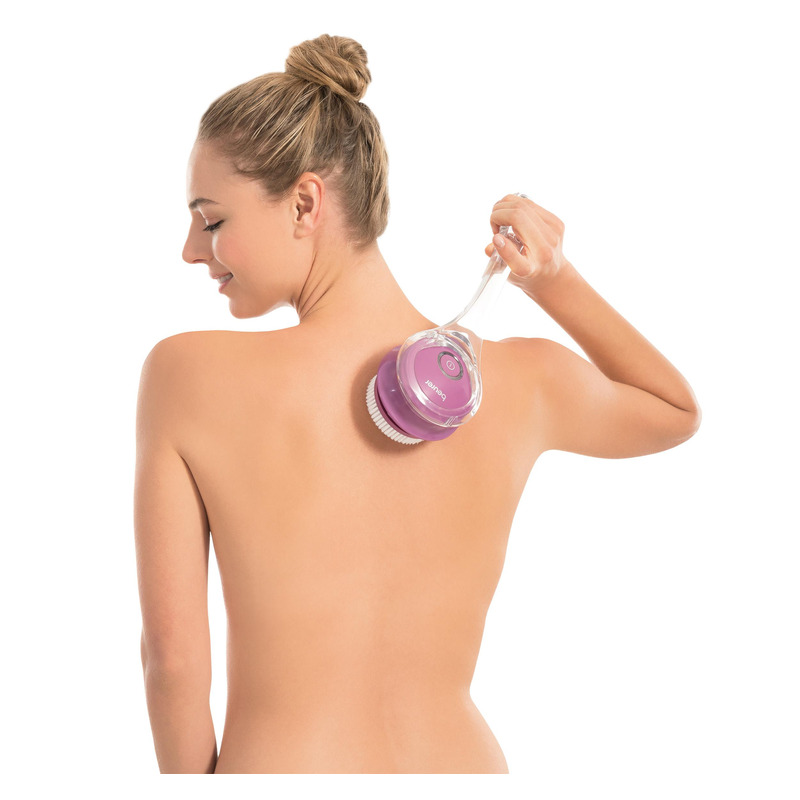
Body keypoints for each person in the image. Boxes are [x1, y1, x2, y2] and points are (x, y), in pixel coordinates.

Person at [134, 34, 701, 774]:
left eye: (211, 221)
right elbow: (672, 409)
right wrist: (553, 279)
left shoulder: (189, 376)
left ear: (305, 203)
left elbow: (173, 662)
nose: (191, 249)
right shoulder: (516, 381)